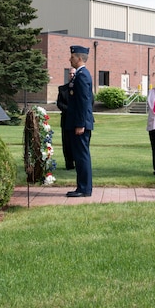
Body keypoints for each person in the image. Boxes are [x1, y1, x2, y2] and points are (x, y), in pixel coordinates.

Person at [65, 45, 94, 198]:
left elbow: (84, 101)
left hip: (80, 123)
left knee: (82, 156)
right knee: (79, 155)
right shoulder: (81, 74)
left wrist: (81, 123)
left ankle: (84, 188)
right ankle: (82, 186)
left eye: (73, 56)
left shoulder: (82, 75)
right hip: (79, 121)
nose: (70, 59)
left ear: (80, 58)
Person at [56, 68, 77, 170]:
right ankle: (69, 164)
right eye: (70, 73)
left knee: (77, 143)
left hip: (77, 120)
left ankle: (78, 163)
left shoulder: (81, 88)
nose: (72, 75)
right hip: (66, 119)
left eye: (74, 73)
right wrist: (69, 110)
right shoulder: (62, 89)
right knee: (66, 142)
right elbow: (59, 103)